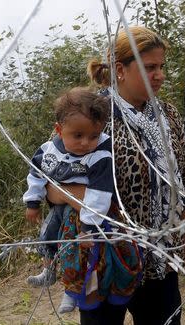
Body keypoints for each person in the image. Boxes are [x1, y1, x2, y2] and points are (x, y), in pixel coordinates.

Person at [46, 26, 185, 325]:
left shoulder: (167, 115)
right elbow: (52, 184)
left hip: (160, 257)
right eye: (150, 67)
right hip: (106, 258)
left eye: (161, 67)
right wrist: (93, 208)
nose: (160, 75)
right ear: (120, 69)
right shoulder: (91, 116)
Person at [23, 87, 141, 314]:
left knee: (76, 252)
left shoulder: (101, 156)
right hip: (59, 208)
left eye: (94, 136)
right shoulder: (48, 150)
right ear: (59, 130)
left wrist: (89, 227)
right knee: (47, 235)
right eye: (78, 136)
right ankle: (48, 270)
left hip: (86, 217)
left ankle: (71, 293)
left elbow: (98, 196)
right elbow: (36, 175)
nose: (86, 143)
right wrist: (33, 202)